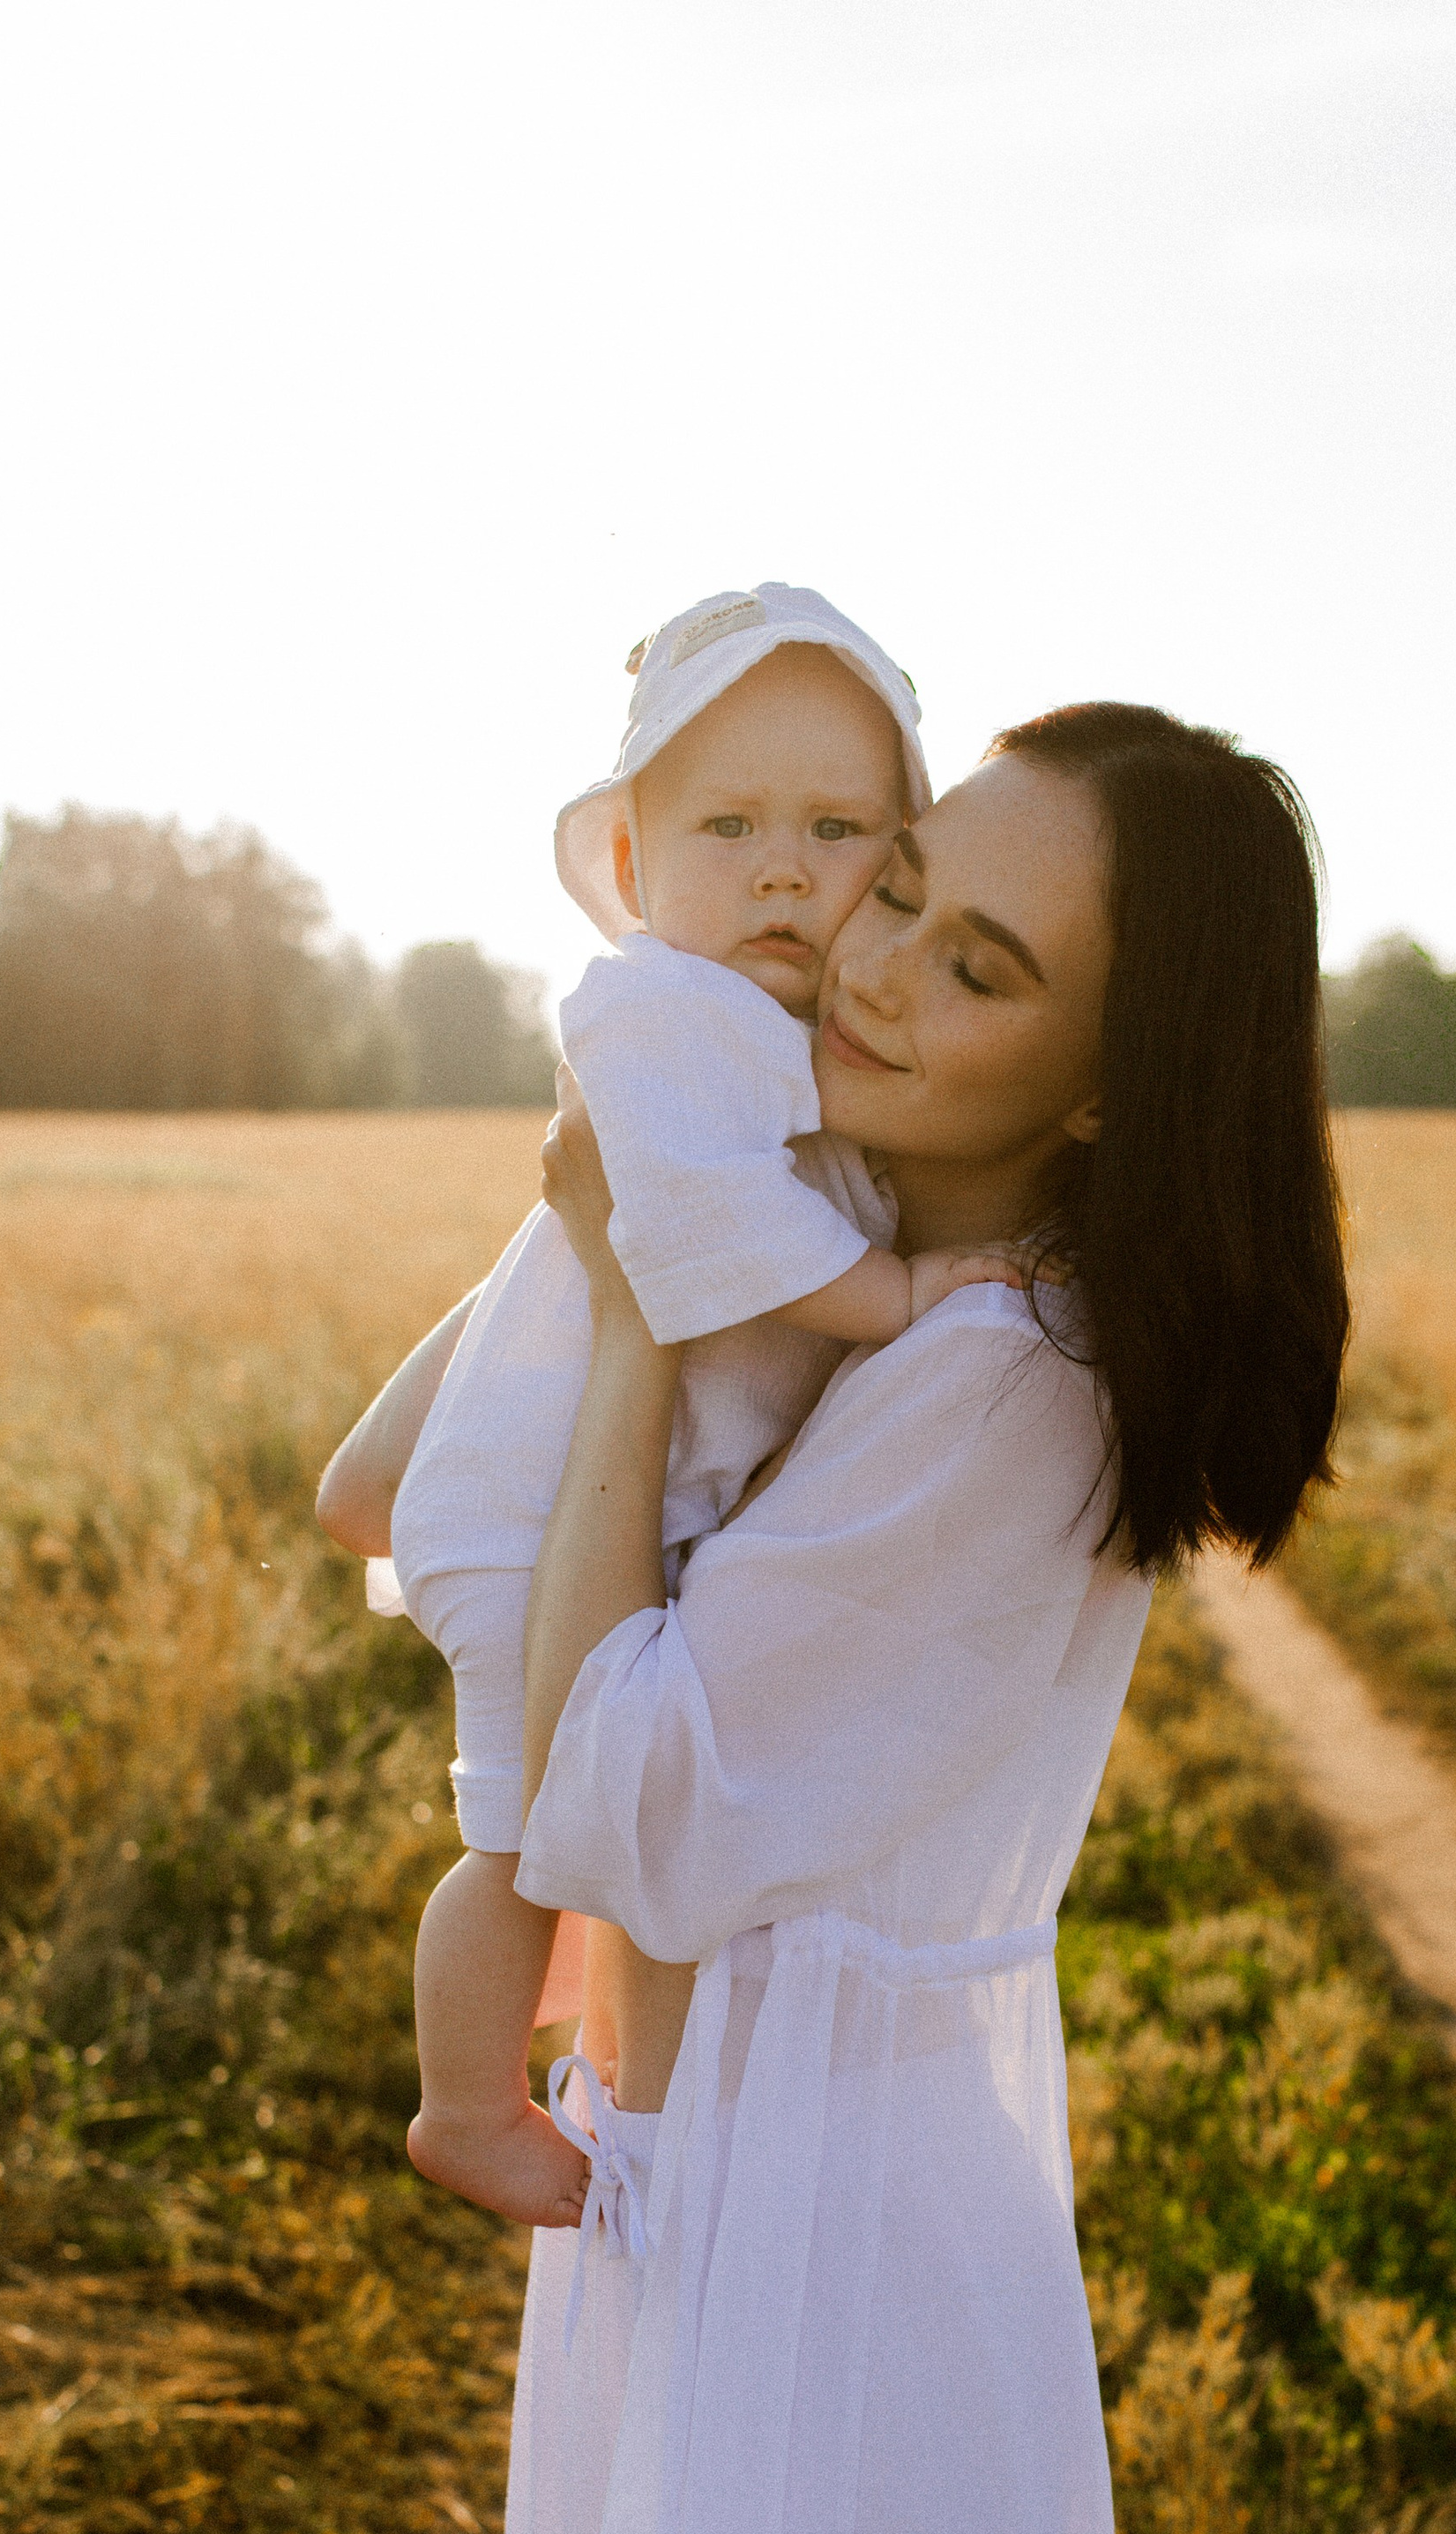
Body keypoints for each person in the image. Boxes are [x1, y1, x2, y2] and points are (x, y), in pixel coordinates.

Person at [449, 697, 1351, 2534]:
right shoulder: (890, 1303)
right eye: (899, 883)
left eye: (979, 961)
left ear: (1104, 1093)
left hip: (822, 2243)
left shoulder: (1002, 1376)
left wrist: (629, 1300)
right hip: (750, 2179)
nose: (865, 959)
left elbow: (619, 1797)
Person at [319, 586, 1016, 2233]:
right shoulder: (668, 1016)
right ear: (633, 869)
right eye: (729, 826)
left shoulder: (762, 1033)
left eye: (839, 827)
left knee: (578, 1829)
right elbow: (709, 1243)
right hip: (539, 1517)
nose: (783, 866)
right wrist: (902, 1301)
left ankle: (579, 2078)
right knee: (526, 1840)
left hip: (584, 1491)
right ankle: (464, 2110)